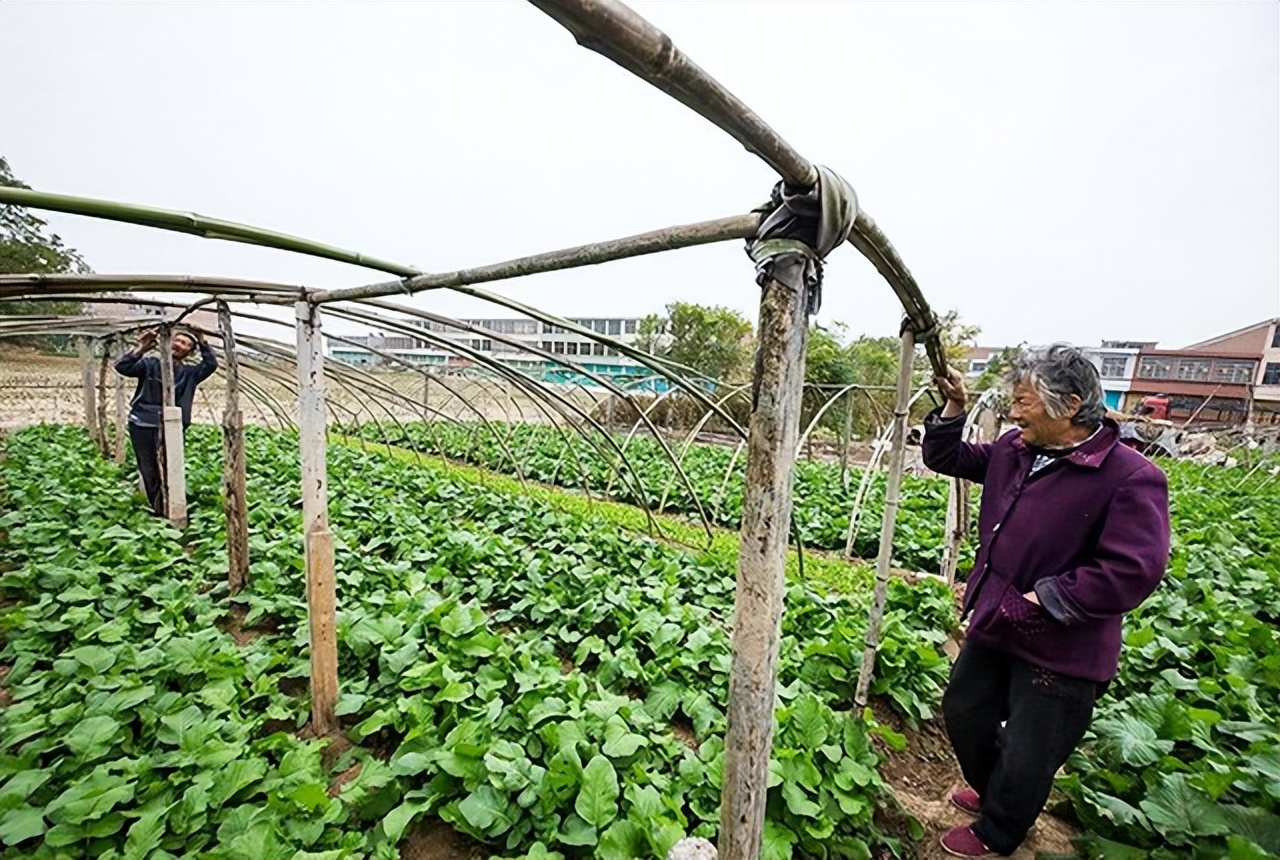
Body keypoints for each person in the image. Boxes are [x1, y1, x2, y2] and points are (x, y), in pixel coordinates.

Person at [923, 344, 1170, 858]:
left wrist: (1048, 597)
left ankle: (1001, 830)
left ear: (1069, 404)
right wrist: (952, 410)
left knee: (1031, 749)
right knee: (965, 711)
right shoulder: (1017, 450)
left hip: (1064, 642)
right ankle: (998, 794)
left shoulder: (1129, 476)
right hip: (999, 618)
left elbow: (1134, 569)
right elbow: (945, 456)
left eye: (1024, 402)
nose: (1014, 413)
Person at [115, 327, 218, 515]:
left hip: (174, 425)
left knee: (172, 467)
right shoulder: (150, 364)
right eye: (178, 341)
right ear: (169, 342)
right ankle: (160, 510)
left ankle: (169, 506)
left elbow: (210, 365)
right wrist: (141, 348)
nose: (180, 346)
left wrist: (202, 339)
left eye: (187, 344)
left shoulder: (190, 374)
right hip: (143, 423)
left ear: (190, 352)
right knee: (149, 468)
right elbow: (123, 367)